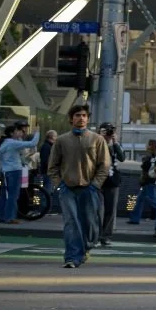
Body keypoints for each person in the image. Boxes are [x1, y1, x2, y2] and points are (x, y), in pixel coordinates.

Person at [47, 106, 110, 267]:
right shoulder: (61, 140)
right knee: (71, 222)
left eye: (84, 115)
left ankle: (85, 248)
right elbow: (52, 167)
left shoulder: (97, 139)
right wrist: (60, 185)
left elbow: (104, 165)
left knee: (90, 224)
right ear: (71, 118)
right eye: (77, 115)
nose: (81, 118)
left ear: (88, 119)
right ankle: (72, 257)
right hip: (68, 189)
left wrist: (95, 185)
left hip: (90, 188)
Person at [0, 121, 39, 223]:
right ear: (12, 133)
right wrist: (37, 132)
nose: (20, 133)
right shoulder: (13, 143)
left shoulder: (5, 142)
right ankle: (10, 217)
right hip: (15, 171)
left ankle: (0, 216)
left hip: (5, 171)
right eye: (17, 131)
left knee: (4, 195)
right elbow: (33, 143)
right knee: (13, 195)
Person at [97, 123, 124, 246]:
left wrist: (115, 142)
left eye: (110, 131)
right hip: (97, 180)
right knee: (96, 209)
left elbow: (122, 158)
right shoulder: (95, 143)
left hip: (112, 180)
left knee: (110, 209)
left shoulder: (113, 145)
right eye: (106, 131)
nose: (108, 134)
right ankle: (95, 234)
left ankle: (106, 235)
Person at [128, 140, 156, 225]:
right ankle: (134, 219)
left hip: (149, 181)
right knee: (140, 200)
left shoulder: (152, 157)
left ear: (150, 146)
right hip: (149, 181)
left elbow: (146, 168)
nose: (145, 146)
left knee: (152, 201)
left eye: (147, 144)